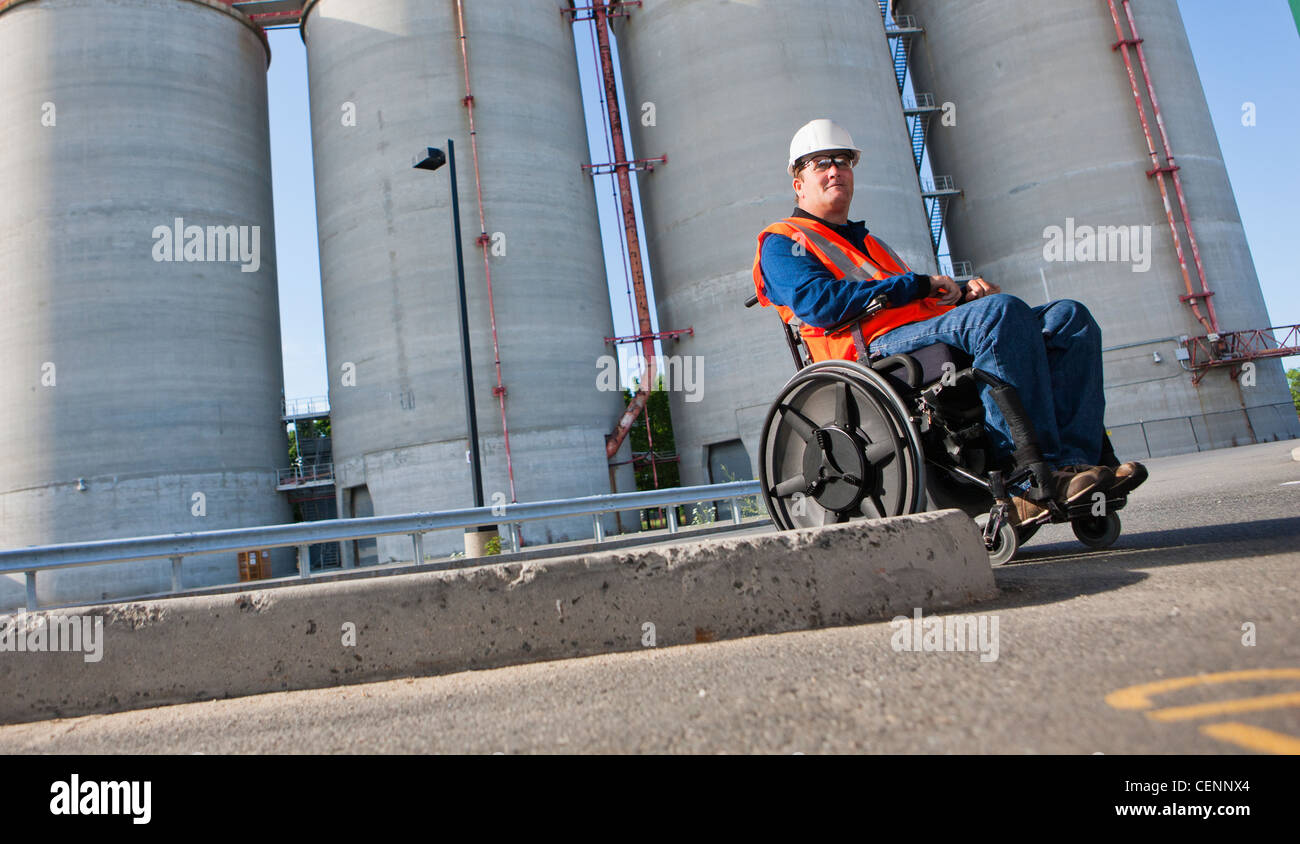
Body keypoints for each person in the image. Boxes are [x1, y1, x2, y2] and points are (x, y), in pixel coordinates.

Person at [752, 119, 1146, 523]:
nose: (834, 170)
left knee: (1068, 318)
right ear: (798, 182)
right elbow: (820, 305)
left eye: (842, 161)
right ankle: (1025, 479)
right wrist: (920, 286)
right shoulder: (784, 241)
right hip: (868, 351)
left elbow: (910, 298)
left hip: (919, 334)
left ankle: (1076, 466)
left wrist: (958, 292)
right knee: (998, 314)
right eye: (819, 163)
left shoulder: (869, 243)